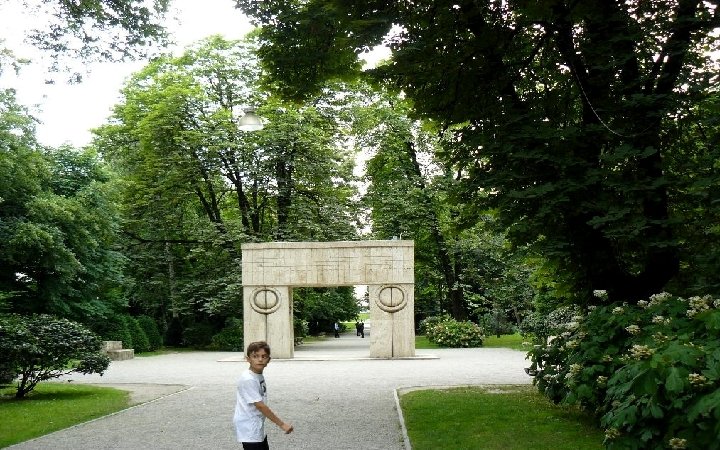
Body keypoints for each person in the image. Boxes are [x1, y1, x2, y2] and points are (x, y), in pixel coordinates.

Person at [234, 341, 293, 449]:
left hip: (256, 424)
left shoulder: (257, 375)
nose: (260, 359)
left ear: (268, 360)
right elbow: (261, 406)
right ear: (248, 359)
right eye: (255, 356)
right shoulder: (248, 379)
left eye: (264, 356)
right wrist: (282, 424)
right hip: (249, 427)